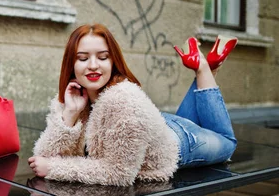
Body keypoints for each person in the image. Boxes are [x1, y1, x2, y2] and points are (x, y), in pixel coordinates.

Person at [28, 23, 238, 186]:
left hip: (182, 142)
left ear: (113, 62)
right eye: (83, 58)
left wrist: (55, 168)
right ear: (71, 65)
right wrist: (70, 114)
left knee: (228, 143)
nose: (93, 65)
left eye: (102, 57)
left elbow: (119, 173)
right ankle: (208, 70)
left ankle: (203, 68)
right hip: (152, 126)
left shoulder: (124, 100)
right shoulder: (71, 96)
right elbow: (43, 156)